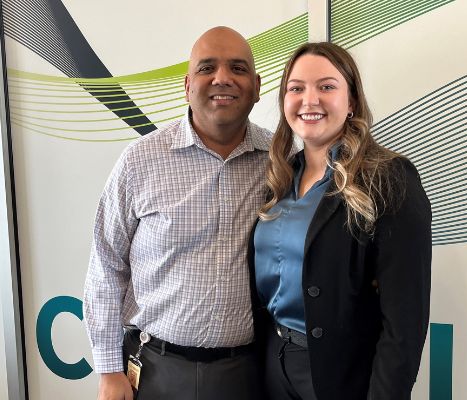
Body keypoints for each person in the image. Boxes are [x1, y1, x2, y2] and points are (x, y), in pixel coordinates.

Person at [83, 26, 271, 400]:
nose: (222, 78)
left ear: (256, 85)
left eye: (237, 67)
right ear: (187, 85)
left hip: (248, 375)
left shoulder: (281, 160)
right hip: (154, 371)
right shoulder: (140, 161)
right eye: (207, 68)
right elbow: (105, 266)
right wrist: (108, 371)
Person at [248, 42, 432, 400]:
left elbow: (404, 323)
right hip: (272, 363)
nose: (309, 99)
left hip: (340, 374)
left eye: (327, 87)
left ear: (351, 103)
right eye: (296, 88)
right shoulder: (279, 177)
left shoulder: (389, 177)